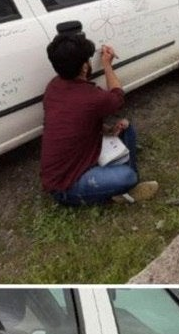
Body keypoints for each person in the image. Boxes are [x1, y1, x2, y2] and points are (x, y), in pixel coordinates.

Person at [40, 31, 159, 205]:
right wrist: (107, 64)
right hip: (65, 186)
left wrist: (109, 131)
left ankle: (114, 179)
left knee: (126, 127)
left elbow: (79, 121)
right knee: (128, 177)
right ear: (84, 67)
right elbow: (117, 95)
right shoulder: (91, 96)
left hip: (75, 161)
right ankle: (124, 189)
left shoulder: (53, 87)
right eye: (88, 59)